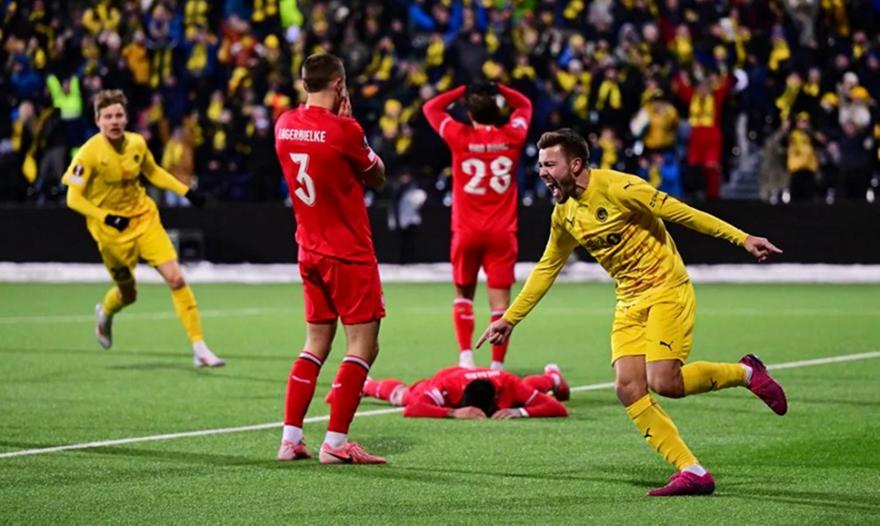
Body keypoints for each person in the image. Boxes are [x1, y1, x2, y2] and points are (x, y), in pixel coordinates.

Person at [477, 129, 787, 497]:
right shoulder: (564, 214)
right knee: (628, 388)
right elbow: (548, 267)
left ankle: (747, 373)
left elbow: (684, 214)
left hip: (667, 290)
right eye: (540, 164)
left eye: (550, 164)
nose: (542, 172)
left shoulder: (621, 189)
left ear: (575, 165)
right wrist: (510, 318)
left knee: (665, 383)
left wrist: (743, 238)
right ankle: (692, 471)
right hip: (629, 300)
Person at [273, 53, 387, 465]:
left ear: (304, 83)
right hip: (348, 252)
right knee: (363, 346)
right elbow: (377, 175)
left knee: (315, 343)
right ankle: (335, 443)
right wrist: (352, 128)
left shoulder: (283, 124)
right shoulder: (345, 130)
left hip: (309, 249)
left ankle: (290, 439)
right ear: (339, 84)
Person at [62, 89, 224, 368]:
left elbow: (153, 172)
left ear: (126, 117)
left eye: (119, 115)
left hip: (145, 220)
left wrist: (187, 192)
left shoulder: (136, 143)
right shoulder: (89, 153)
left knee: (176, 279)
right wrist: (107, 217)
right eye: (108, 117)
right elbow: (72, 199)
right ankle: (105, 314)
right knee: (128, 294)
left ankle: (199, 347)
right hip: (112, 235)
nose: (114, 121)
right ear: (98, 120)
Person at [422, 81, 533, 370]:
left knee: (463, 296)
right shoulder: (513, 135)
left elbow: (431, 107)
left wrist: (462, 90)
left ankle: (466, 358)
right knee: (501, 305)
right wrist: (500, 87)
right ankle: (497, 367)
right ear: (498, 111)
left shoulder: (460, 135)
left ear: (470, 114)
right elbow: (524, 105)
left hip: (466, 231)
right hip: (502, 232)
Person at [357, 364, 570, 420]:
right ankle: (365, 384)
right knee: (405, 396)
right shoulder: (445, 386)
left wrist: (520, 412)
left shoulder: (509, 383)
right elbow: (413, 408)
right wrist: (453, 412)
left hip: (499, 381)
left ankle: (553, 377)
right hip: (452, 375)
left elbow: (558, 408)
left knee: (523, 394)